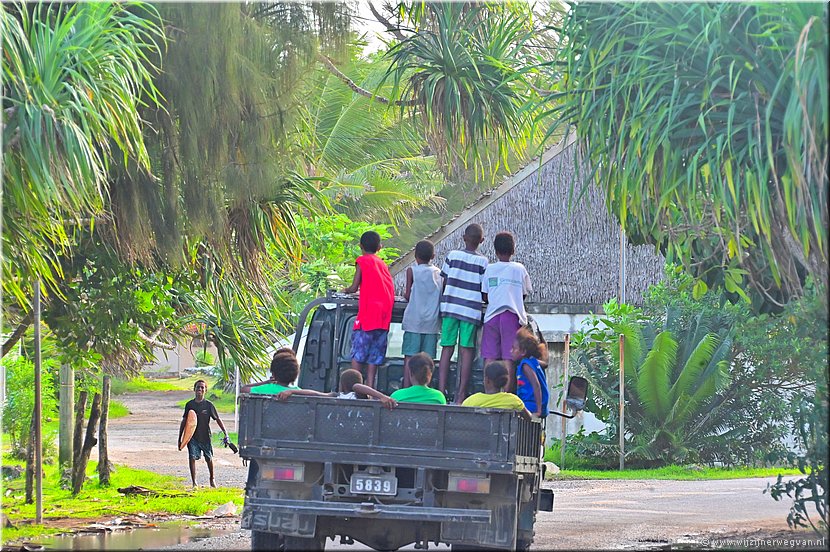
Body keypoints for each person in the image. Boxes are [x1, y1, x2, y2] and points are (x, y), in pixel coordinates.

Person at [437, 223, 488, 404]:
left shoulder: (452, 256)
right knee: (466, 351)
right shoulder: (483, 262)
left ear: (463, 237)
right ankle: (461, 395)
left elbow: (444, 282)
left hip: (450, 308)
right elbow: (484, 290)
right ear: (481, 241)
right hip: (470, 310)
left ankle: (441, 393)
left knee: (447, 348)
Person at [343, 230, 395, 389]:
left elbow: (353, 287)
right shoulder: (382, 264)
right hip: (383, 318)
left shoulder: (362, 261)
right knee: (374, 357)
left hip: (367, 316)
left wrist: (345, 289)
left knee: (358, 355)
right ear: (380, 247)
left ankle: (354, 388)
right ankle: (370, 389)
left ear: (360, 246)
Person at [481, 231, 532, 392]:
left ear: (495, 251)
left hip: (492, 316)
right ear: (513, 250)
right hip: (512, 317)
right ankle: (506, 396)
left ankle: (489, 394)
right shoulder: (519, 269)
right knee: (508, 358)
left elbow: (485, 295)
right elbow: (524, 293)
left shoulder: (490, 269)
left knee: (489, 357)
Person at [401, 240, 442, 387]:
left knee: (409, 358)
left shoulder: (412, 271)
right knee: (427, 361)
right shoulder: (439, 273)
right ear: (433, 256)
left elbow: (407, 295)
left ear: (415, 255)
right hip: (431, 323)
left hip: (414, 321)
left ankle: (406, 388)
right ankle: (425, 389)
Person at [179, 379, 229, 488]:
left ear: (205, 390)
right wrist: (181, 439)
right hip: (193, 437)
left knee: (208, 458)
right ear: (194, 389)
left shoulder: (209, 405)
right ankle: (194, 482)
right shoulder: (189, 405)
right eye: (198, 387)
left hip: (205, 436)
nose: (200, 389)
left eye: (202, 387)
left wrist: (226, 433)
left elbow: (218, 419)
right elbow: (184, 422)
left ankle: (212, 479)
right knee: (192, 457)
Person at [276, 368, 398, 409]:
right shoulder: (337, 395)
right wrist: (292, 391)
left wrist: (382, 397)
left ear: (342, 384)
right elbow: (315, 394)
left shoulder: (360, 396)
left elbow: (357, 387)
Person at [461, 361, 531, 420]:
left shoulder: (471, 401)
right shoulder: (514, 401)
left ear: (487, 380)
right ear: (506, 381)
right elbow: (529, 418)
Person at [511, 328, 550, 418]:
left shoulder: (525, 365)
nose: (511, 351)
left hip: (532, 405)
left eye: (514, 348)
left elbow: (536, 385)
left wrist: (539, 410)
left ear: (523, 352)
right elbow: (545, 364)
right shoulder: (533, 361)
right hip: (536, 404)